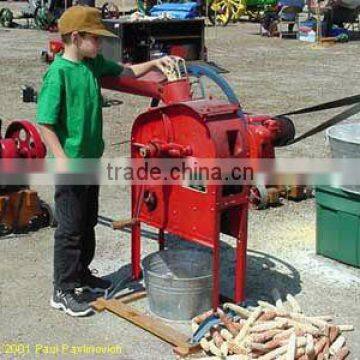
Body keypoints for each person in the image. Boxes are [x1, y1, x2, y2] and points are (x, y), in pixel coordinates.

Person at [36, 5, 177, 317]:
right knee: (70, 229)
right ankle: (63, 289)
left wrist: (156, 62)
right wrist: (60, 159)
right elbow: (45, 123)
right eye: (95, 39)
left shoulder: (92, 65)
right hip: (71, 164)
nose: (100, 44)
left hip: (90, 161)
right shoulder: (58, 74)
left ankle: (82, 274)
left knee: (87, 222)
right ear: (76, 37)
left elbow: (125, 71)